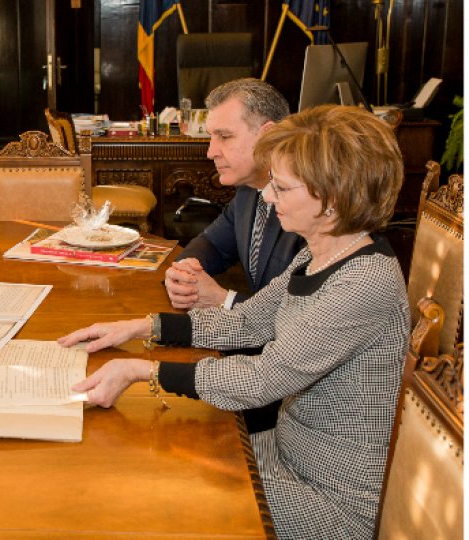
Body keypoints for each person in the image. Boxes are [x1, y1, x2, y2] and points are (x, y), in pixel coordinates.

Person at [58, 105, 408, 539]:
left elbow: (262, 379)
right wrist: (140, 328)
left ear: (331, 201)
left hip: (326, 500)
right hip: (283, 454)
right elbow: (247, 324)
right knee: (149, 456)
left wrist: (143, 371)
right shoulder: (321, 252)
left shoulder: (363, 282)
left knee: (155, 489)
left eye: (281, 187)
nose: (268, 196)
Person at [165, 78, 303, 310]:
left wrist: (223, 299)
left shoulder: (309, 203)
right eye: (211, 137)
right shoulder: (248, 191)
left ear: (268, 136)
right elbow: (213, 244)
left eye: (225, 137)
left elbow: (302, 315)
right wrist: (184, 270)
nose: (211, 152)